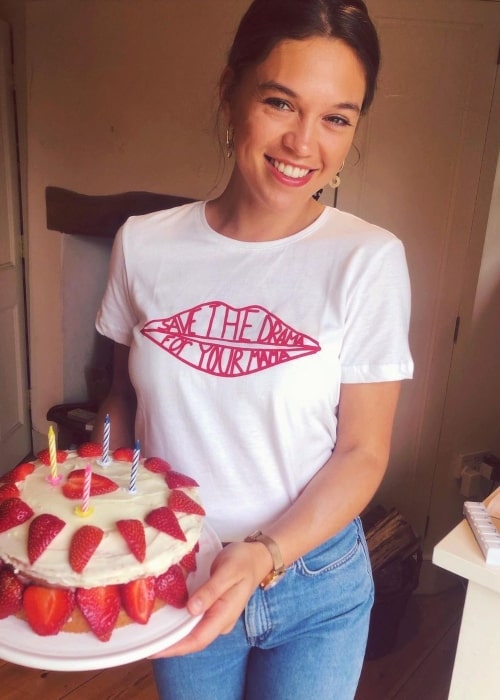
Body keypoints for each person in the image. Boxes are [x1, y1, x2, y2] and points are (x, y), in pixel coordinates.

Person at [94, 1, 414, 698]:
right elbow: (124, 397)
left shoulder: (368, 259)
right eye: (280, 102)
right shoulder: (142, 244)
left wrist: (262, 555)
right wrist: (95, 501)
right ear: (230, 92)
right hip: (184, 568)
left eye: (337, 117)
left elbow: (364, 451)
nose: (304, 142)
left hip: (316, 583)